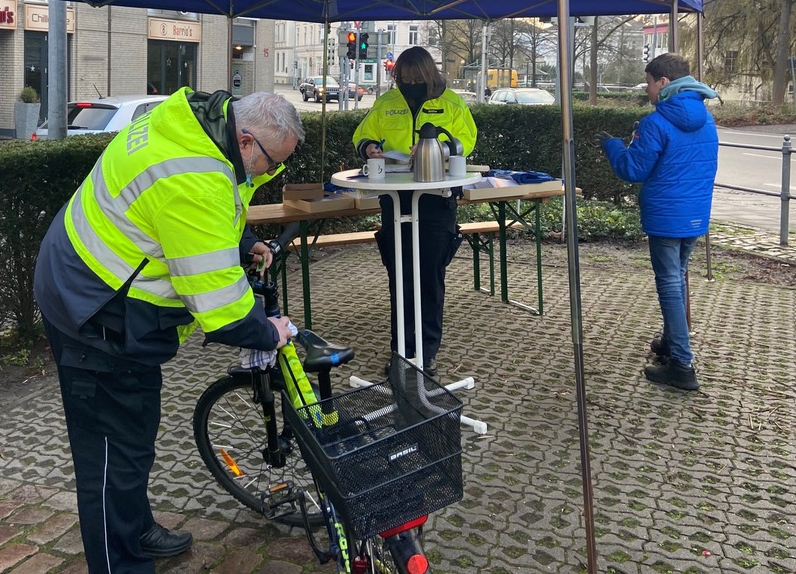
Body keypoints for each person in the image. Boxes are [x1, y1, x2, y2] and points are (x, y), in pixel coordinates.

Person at [34, 89, 303, 573]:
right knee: (112, 456)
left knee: (134, 435)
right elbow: (222, 311)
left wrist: (242, 240)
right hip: (95, 313)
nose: (268, 173)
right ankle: (120, 563)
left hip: (93, 284)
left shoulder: (198, 123)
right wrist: (270, 332)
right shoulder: (195, 178)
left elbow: (202, 213)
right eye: (270, 163)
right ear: (245, 141)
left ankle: (135, 529)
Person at [594, 53, 718, 392]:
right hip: (694, 215)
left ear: (663, 83)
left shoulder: (656, 123)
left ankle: (681, 364)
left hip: (665, 217)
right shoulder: (706, 120)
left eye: (649, 83)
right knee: (677, 279)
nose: (647, 90)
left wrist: (613, 146)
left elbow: (632, 170)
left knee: (670, 286)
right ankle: (669, 342)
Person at [353, 46, 477, 376]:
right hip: (396, 199)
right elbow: (362, 133)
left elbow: (467, 141)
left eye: (414, 78)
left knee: (430, 279)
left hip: (436, 199)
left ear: (428, 75)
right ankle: (401, 352)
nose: (408, 83)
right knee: (400, 277)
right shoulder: (386, 103)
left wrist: (436, 146)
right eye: (402, 78)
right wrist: (369, 147)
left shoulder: (450, 103)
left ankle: (426, 353)